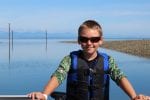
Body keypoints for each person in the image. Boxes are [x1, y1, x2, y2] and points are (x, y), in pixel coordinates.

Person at [28, 20, 150, 100]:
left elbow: (120, 77)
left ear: (101, 40)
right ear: (79, 40)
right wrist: (44, 95)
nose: (89, 43)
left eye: (94, 39)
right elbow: (58, 75)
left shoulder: (108, 61)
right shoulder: (69, 59)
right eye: (84, 39)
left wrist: (134, 97)